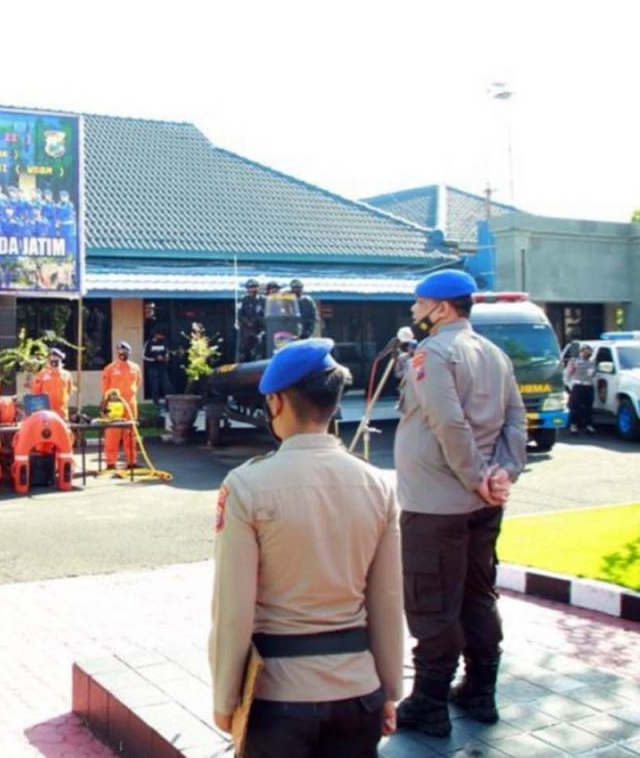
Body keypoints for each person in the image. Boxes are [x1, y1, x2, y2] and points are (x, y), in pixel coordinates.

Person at [210, 339, 403, 757]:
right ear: (333, 404)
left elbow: (233, 611)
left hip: (277, 698)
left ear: (276, 402)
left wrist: (226, 701)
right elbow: (387, 600)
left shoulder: (246, 486)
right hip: (359, 691)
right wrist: (390, 689)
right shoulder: (376, 484)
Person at [394, 269, 526, 737]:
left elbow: (449, 425)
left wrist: (476, 479)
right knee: (477, 594)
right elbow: (515, 420)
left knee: (432, 601)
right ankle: (479, 690)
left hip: (437, 505)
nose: (414, 311)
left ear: (442, 308)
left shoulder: (433, 353)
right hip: (483, 502)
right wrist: (501, 475)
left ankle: (429, 702)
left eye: (419, 303)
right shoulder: (493, 353)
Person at [100, 341, 141, 469]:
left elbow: (137, 383)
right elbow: (105, 387)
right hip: (114, 405)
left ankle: (131, 461)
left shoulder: (135, 367)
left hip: (130, 403)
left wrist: (131, 396)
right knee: (112, 433)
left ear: (129, 353)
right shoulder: (110, 368)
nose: (122, 354)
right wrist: (106, 403)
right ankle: (111, 463)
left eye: (125, 352)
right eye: (120, 352)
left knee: (130, 433)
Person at [30, 347, 74, 419]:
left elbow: (69, 391)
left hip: (62, 412)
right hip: (46, 413)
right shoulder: (41, 375)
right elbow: (36, 392)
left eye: (56, 360)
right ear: (48, 361)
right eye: (51, 360)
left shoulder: (67, 375)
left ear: (60, 360)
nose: (54, 363)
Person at [565, 344, 596, 434]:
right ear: (581, 352)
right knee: (575, 407)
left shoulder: (592, 362)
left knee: (588, 407)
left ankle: (588, 425)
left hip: (588, 385)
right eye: (586, 351)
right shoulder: (575, 361)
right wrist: (569, 385)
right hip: (578, 385)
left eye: (589, 351)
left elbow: (593, 374)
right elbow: (568, 373)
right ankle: (573, 425)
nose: (588, 353)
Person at [142, 328, 174, 407]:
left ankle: (168, 405)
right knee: (154, 387)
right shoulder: (149, 343)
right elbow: (144, 356)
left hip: (163, 368)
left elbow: (167, 352)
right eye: (160, 335)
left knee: (167, 386)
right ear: (155, 335)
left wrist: (166, 357)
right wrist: (155, 358)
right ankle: (156, 405)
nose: (161, 337)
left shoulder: (164, 342)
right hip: (152, 368)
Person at [238, 279, 266, 361]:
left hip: (262, 328)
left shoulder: (263, 300)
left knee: (262, 348)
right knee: (246, 350)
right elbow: (239, 315)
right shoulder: (243, 300)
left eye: (254, 287)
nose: (252, 290)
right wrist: (247, 322)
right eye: (250, 288)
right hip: (248, 330)